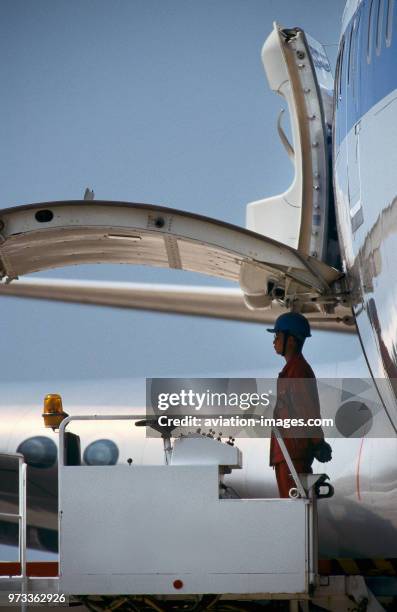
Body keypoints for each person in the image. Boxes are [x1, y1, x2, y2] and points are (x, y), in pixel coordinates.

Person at [267, 312, 330, 498]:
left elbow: (307, 411)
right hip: (287, 454)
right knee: (291, 511)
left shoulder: (298, 371)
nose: (274, 342)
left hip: (293, 454)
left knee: (293, 512)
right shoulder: (291, 370)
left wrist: (318, 442)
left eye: (277, 336)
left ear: (292, 341)